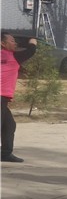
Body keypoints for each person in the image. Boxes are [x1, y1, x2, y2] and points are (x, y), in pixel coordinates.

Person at [1, 33, 38, 163]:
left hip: (2, 99)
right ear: (3, 44)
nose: (15, 43)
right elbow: (31, 50)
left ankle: (5, 153)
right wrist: (33, 38)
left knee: (9, 125)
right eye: (12, 41)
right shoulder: (14, 56)